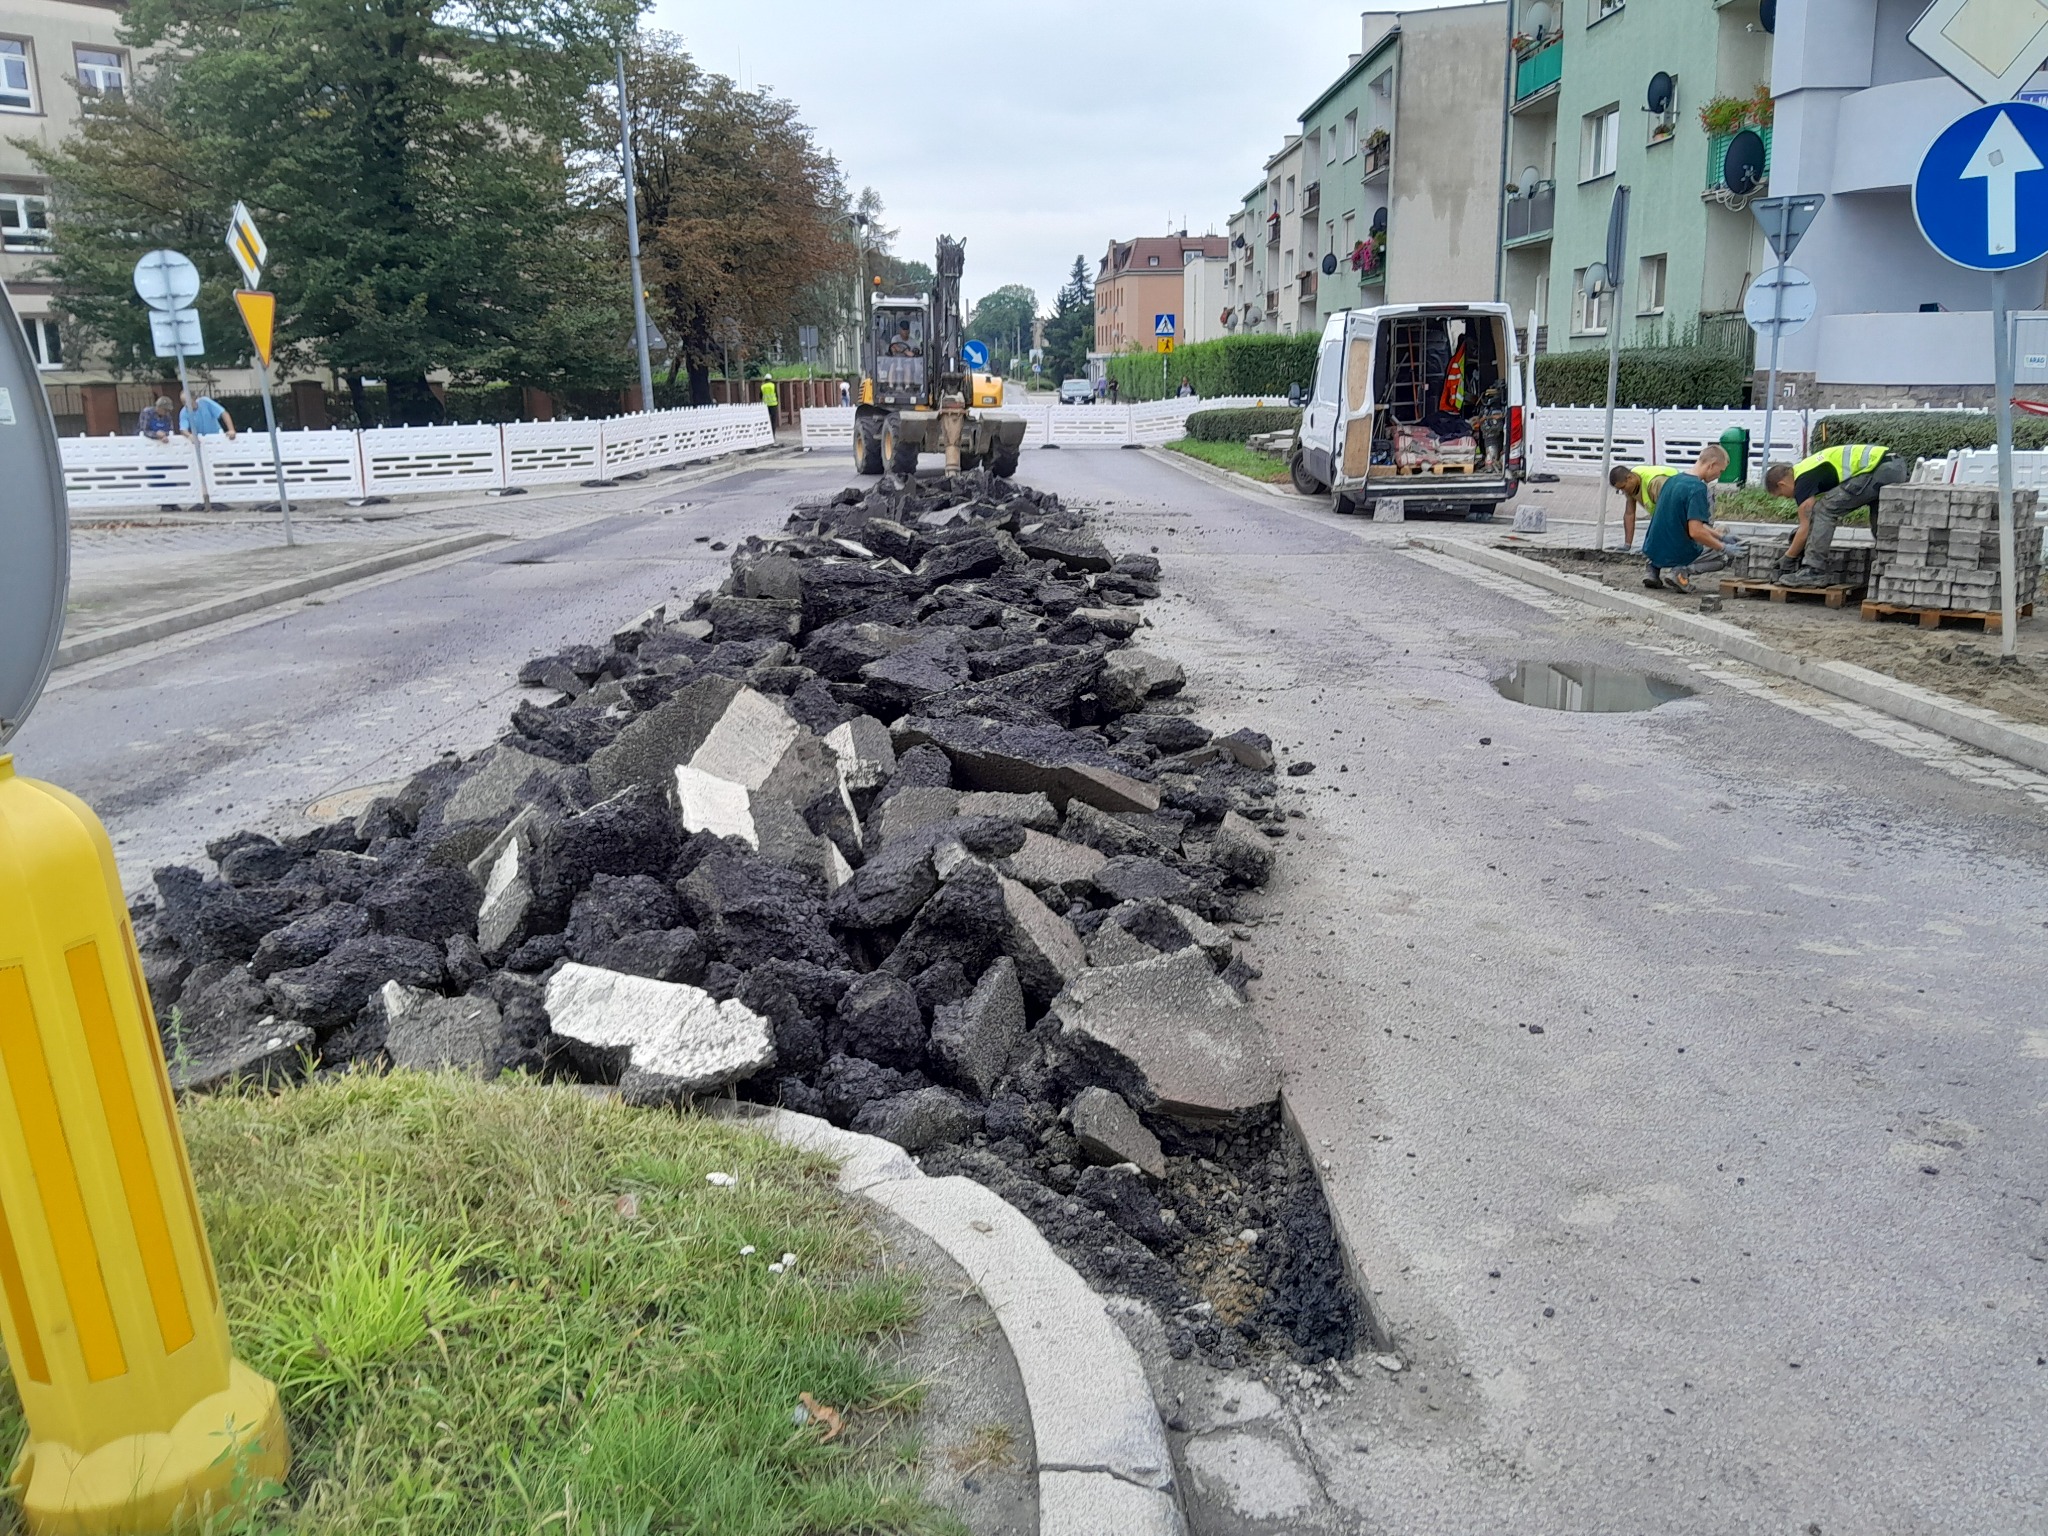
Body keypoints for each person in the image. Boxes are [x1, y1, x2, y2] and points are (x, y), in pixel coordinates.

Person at [1764, 444, 1905, 587]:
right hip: (1895, 465)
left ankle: (1813, 571)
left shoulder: (1802, 481)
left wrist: (1788, 557)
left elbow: (1805, 528)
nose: (1786, 498)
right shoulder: (1806, 468)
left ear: (1782, 484)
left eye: (1781, 495)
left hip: (1878, 469)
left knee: (1824, 510)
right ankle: (1892, 565)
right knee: (1880, 520)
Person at [1642, 444, 1743, 594]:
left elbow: (1693, 523)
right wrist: (1723, 547)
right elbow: (1696, 532)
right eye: (1720, 471)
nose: (1719, 476)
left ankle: (1652, 569)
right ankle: (1681, 572)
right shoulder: (1697, 488)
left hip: (1653, 549)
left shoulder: (1672, 480)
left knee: (1714, 539)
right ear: (1712, 465)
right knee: (1721, 558)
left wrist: (1722, 536)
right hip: (1674, 552)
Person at [1607, 462, 1684, 556]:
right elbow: (1629, 514)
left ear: (1630, 478)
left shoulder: (1654, 483)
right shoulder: (1632, 482)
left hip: (1684, 497)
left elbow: (1665, 516)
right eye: (1620, 490)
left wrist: (1650, 546)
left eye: (1623, 487)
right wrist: (1627, 545)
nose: (1623, 491)